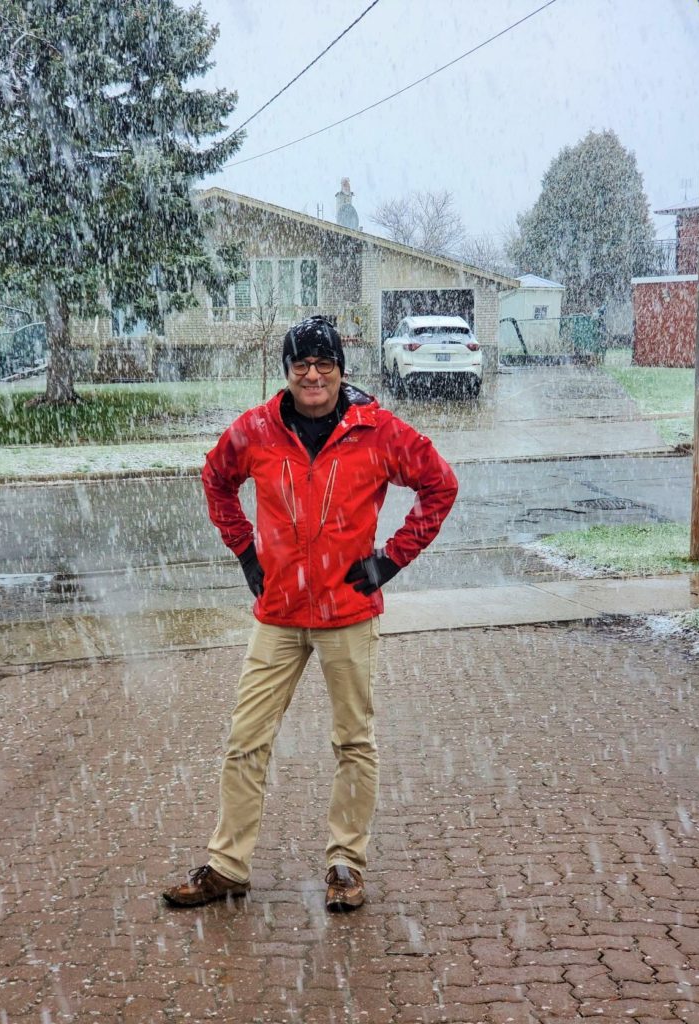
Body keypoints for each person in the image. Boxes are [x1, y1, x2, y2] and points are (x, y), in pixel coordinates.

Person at [163, 316, 458, 912]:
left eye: (325, 364)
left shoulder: (376, 431)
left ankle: (346, 864)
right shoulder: (257, 430)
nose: (314, 375)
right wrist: (246, 552)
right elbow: (216, 479)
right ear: (287, 372)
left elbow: (440, 485)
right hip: (278, 613)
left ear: (342, 369)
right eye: (302, 365)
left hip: (348, 612)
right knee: (246, 740)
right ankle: (228, 866)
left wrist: (389, 562)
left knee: (353, 741)